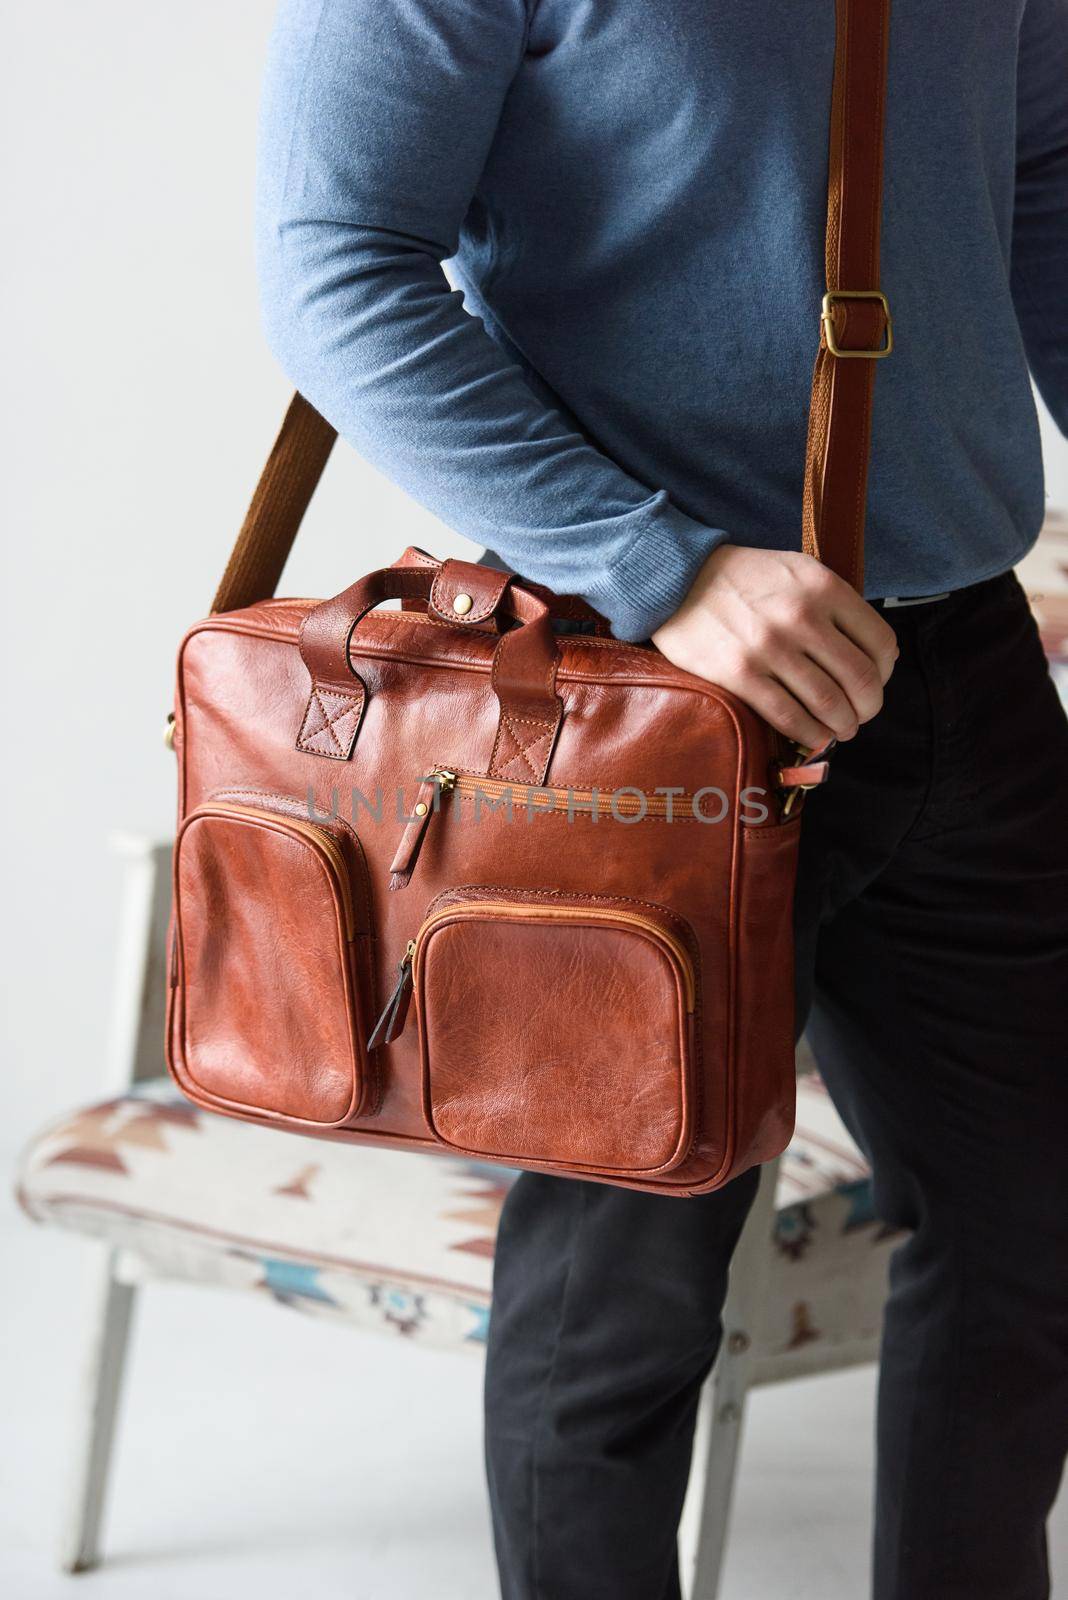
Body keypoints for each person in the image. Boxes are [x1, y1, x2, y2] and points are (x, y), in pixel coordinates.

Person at [255, 2, 1068, 1595]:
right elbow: (332, 265)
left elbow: (1040, 179)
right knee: (615, 1320)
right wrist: (663, 569)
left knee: (1033, 1246)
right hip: (637, 709)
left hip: (970, 660)